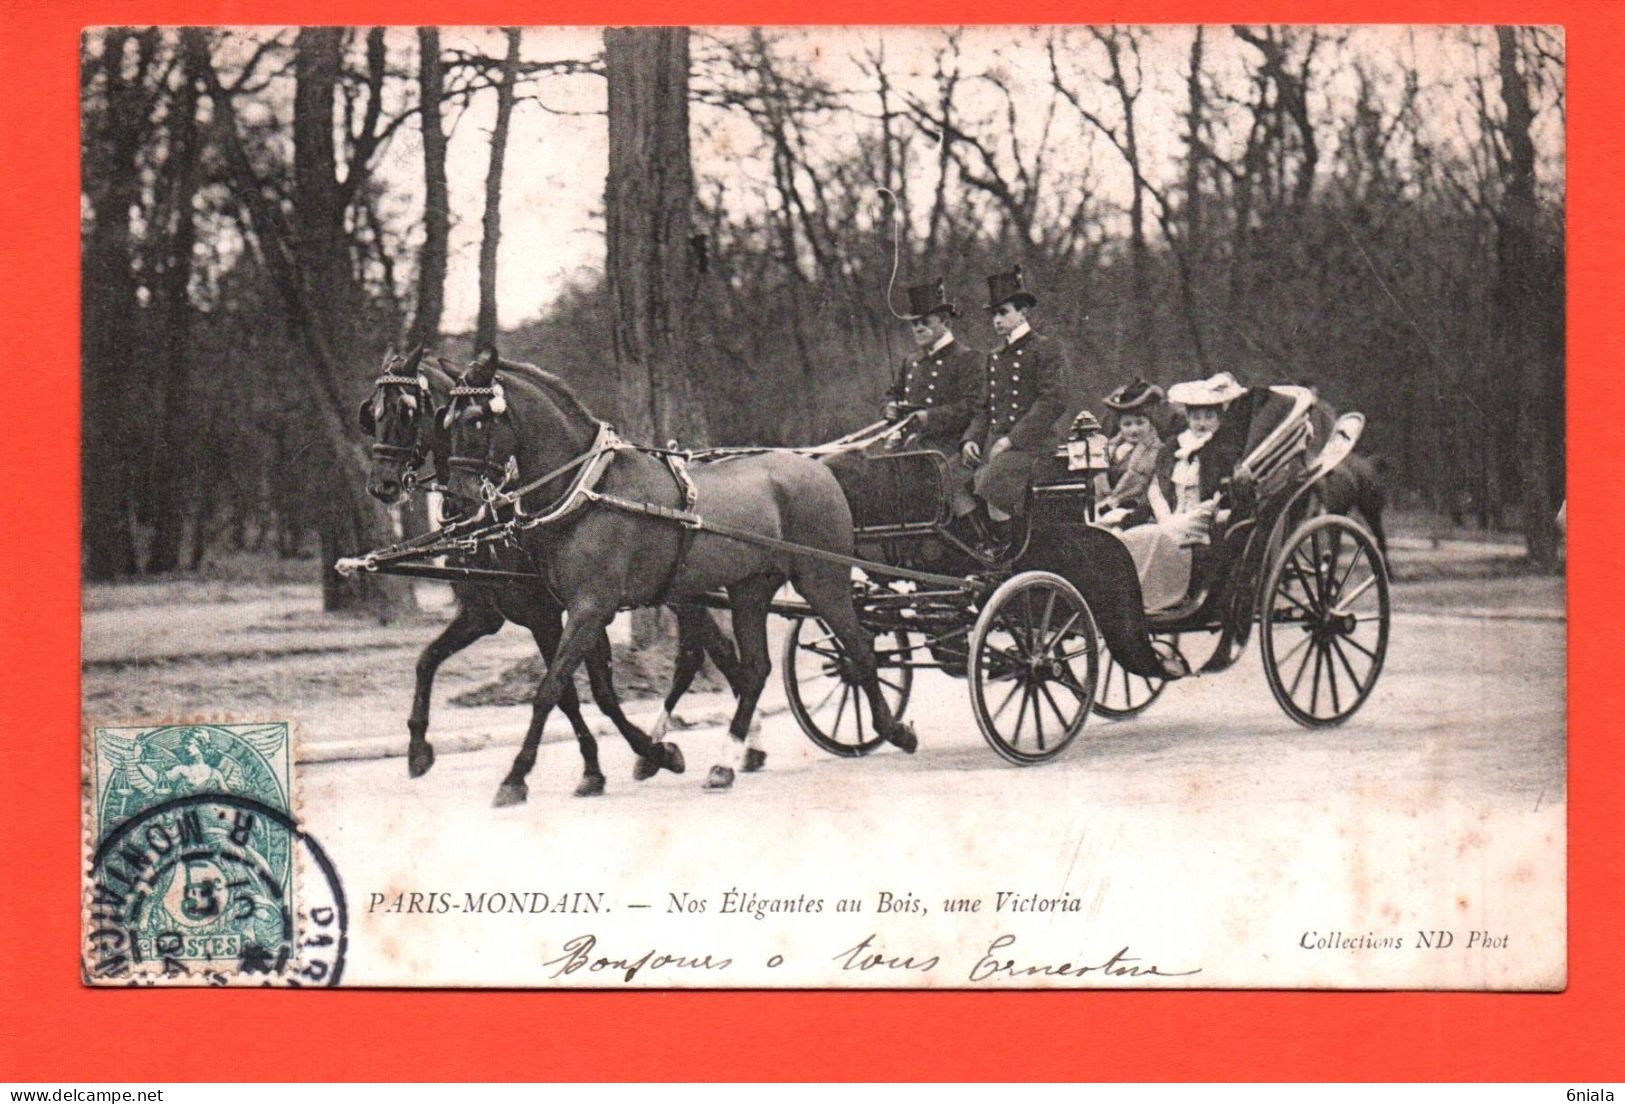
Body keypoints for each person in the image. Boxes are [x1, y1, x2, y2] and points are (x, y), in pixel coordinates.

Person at [954, 266, 1075, 537]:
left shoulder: (1045, 348)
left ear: (1023, 312)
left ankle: (1008, 552)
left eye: (1003, 312)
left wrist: (1013, 439)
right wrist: (970, 439)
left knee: (992, 484)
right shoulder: (995, 356)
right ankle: (983, 545)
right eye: (994, 314)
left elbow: (1054, 400)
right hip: (997, 449)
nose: (997, 320)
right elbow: (984, 408)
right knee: (951, 480)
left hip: (1033, 447)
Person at [1116, 372, 1247, 612]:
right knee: (1134, 537)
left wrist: (1179, 521)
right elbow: (1157, 487)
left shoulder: (1223, 452)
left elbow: (1219, 497)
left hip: (1202, 522)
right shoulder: (1173, 447)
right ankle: (1137, 597)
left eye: (1209, 416)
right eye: (1196, 417)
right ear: (1187, 417)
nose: (1202, 423)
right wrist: (1165, 517)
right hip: (1172, 517)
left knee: (1156, 536)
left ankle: (1159, 599)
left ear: (1219, 419)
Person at [881, 278, 980, 456]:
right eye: (914, 323)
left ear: (946, 323)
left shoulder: (966, 358)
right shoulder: (911, 361)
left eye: (925, 322)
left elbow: (972, 406)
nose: (918, 328)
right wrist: (889, 408)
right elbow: (892, 394)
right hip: (907, 446)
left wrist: (930, 417)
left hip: (949, 450)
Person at [1094, 378, 1166, 528]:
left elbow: (1156, 493)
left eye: (1140, 423)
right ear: (1119, 426)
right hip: (1104, 509)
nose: (1134, 430)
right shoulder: (1109, 449)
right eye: (1127, 424)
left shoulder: (1158, 451)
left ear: (1150, 422)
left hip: (1139, 514)